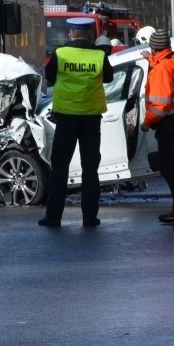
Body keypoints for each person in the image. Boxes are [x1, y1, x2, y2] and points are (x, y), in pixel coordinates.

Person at [38, 17, 114, 227]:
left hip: (66, 118)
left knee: (60, 168)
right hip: (90, 119)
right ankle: (90, 217)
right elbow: (108, 78)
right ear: (89, 34)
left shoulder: (60, 54)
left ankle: (54, 216)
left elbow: (50, 76)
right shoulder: (99, 55)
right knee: (90, 169)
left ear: (71, 34)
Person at [140, 29, 174, 223]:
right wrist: (150, 60)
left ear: (154, 48)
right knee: (173, 167)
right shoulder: (173, 60)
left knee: (168, 169)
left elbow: (160, 106)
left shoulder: (161, 69)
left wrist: (147, 122)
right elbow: (163, 64)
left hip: (167, 125)